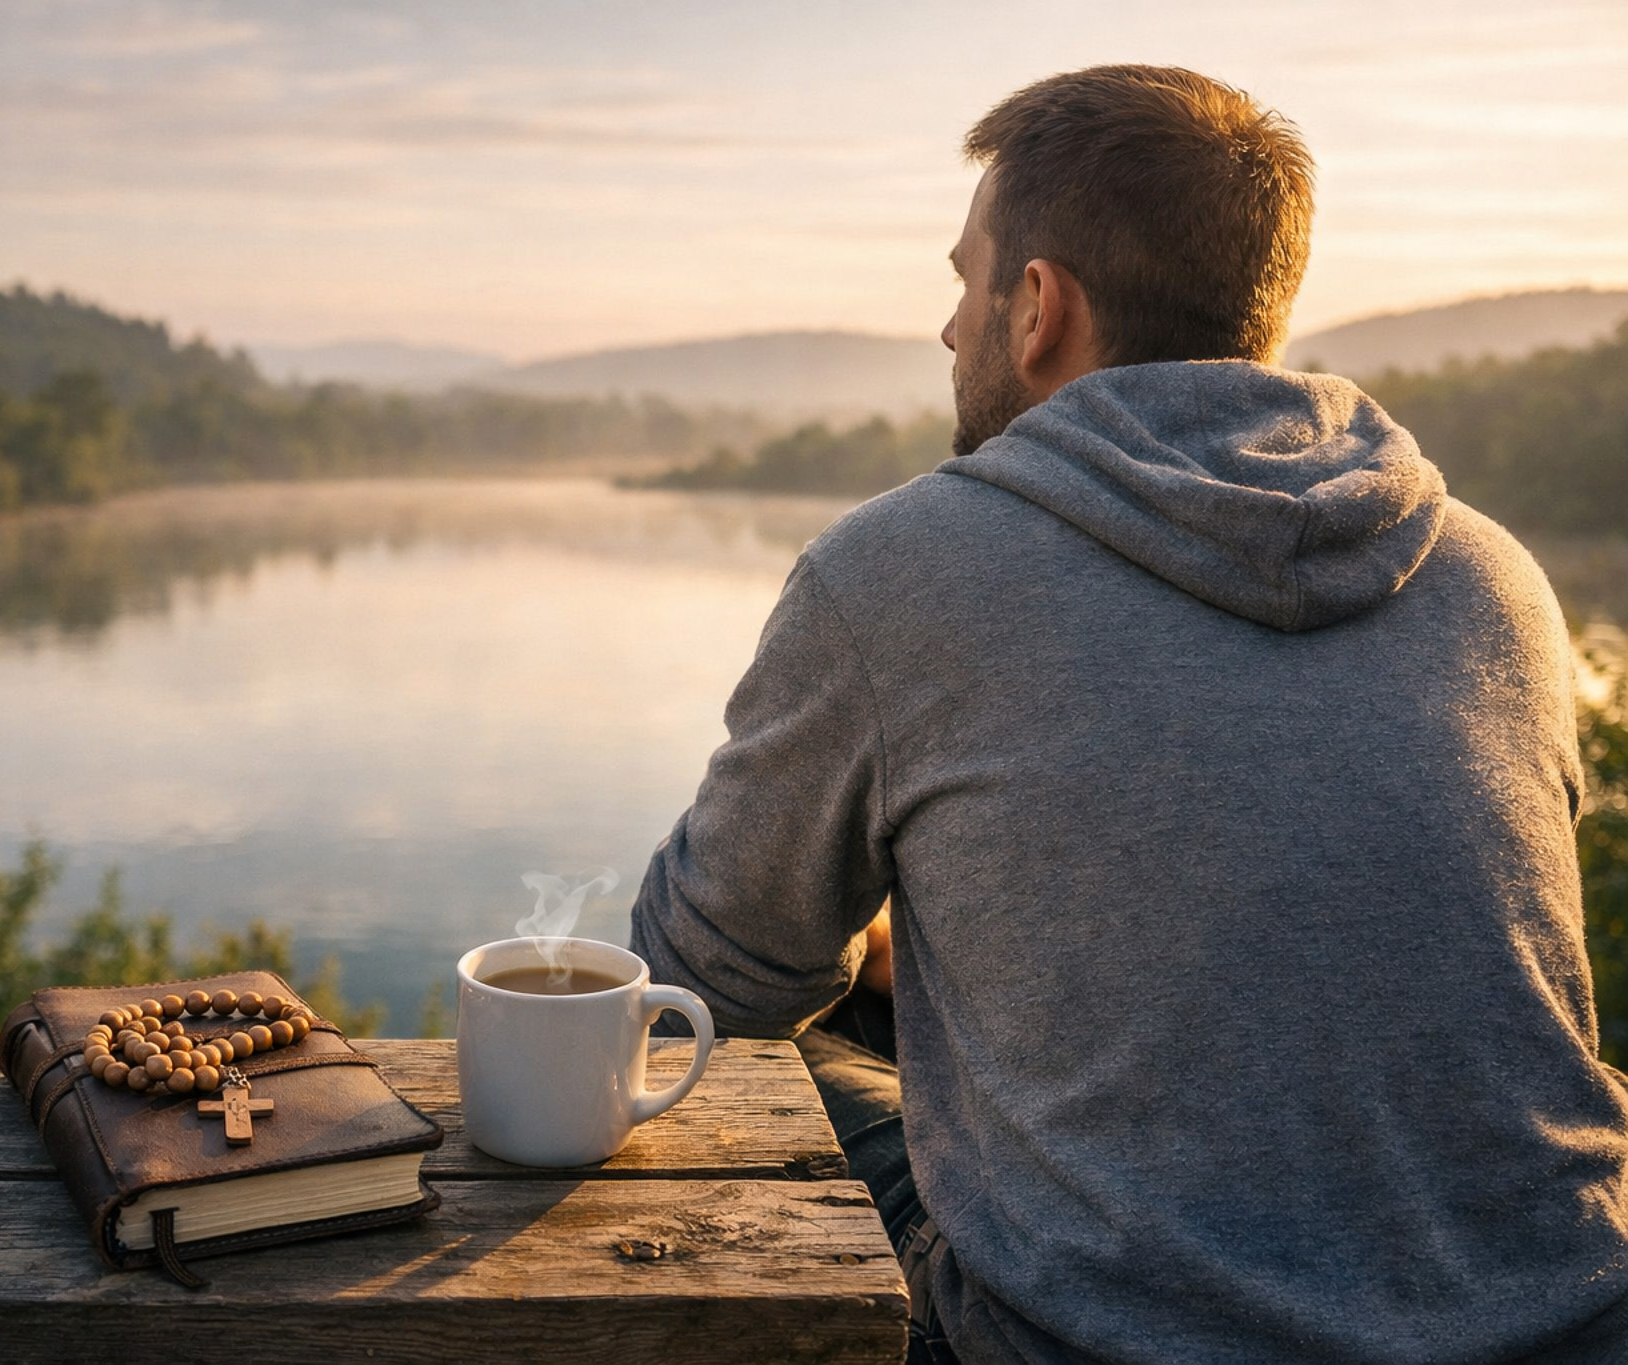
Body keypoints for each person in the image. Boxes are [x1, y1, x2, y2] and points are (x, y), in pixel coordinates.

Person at [628, 64, 1628, 1363]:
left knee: (810, 1055)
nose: (946, 329)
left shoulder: (898, 571)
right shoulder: (1494, 577)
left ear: (1038, 305)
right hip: (1566, 1319)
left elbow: (699, 987)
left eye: (962, 279)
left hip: (1104, 1345)